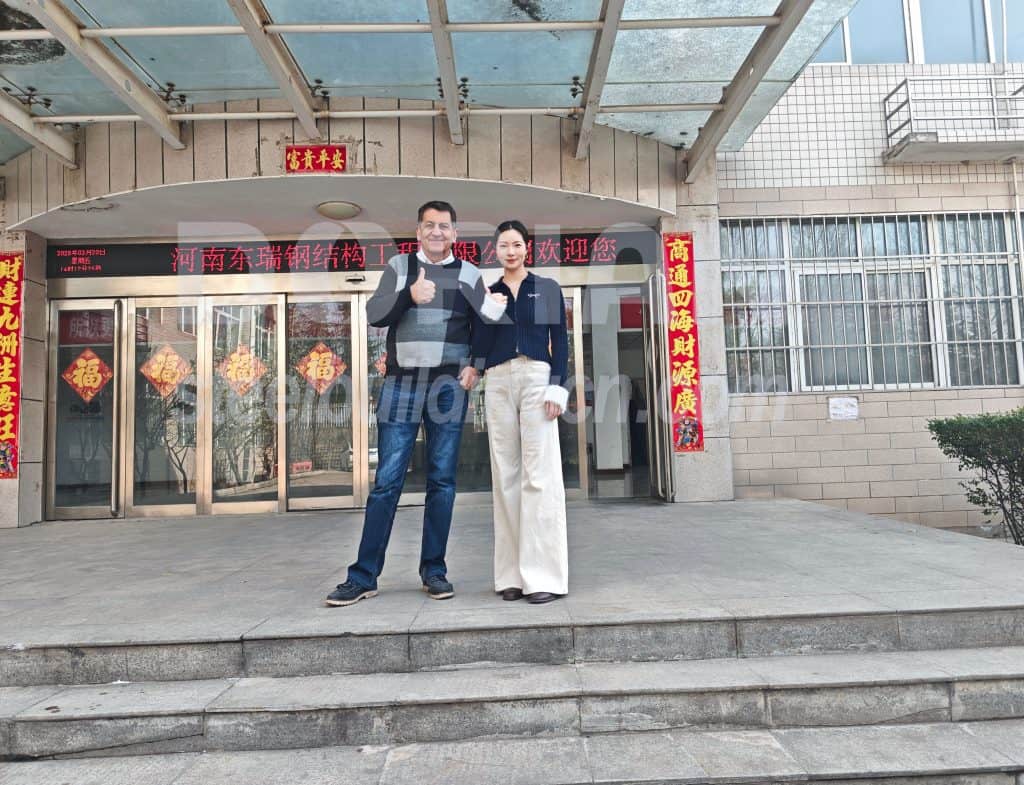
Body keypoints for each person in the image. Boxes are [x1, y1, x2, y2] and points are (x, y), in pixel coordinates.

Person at [326, 201, 506, 606]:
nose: (437, 232)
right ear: (419, 231)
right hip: (402, 385)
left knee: (442, 481)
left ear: (455, 234)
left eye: (444, 226)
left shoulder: (468, 273)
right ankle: (364, 576)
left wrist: (475, 366)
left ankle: (434, 571)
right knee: (387, 482)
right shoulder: (400, 267)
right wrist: (409, 294)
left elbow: (489, 324)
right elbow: (375, 314)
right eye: (429, 226)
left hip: (448, 388)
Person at [479, 220, 569, 604]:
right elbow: (479, 344)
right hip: (498, 378)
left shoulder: (545, 288)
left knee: (539, 475)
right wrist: (489, 311)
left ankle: (544, 577)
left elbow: (560, 341)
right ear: (495, 251)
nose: (510, 251)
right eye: (504, 246)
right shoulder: (489, 291)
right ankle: (511, 577)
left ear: (527, 248)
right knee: (506, 475)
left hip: (536, 375)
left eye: (516, 244)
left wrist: (558, 386)